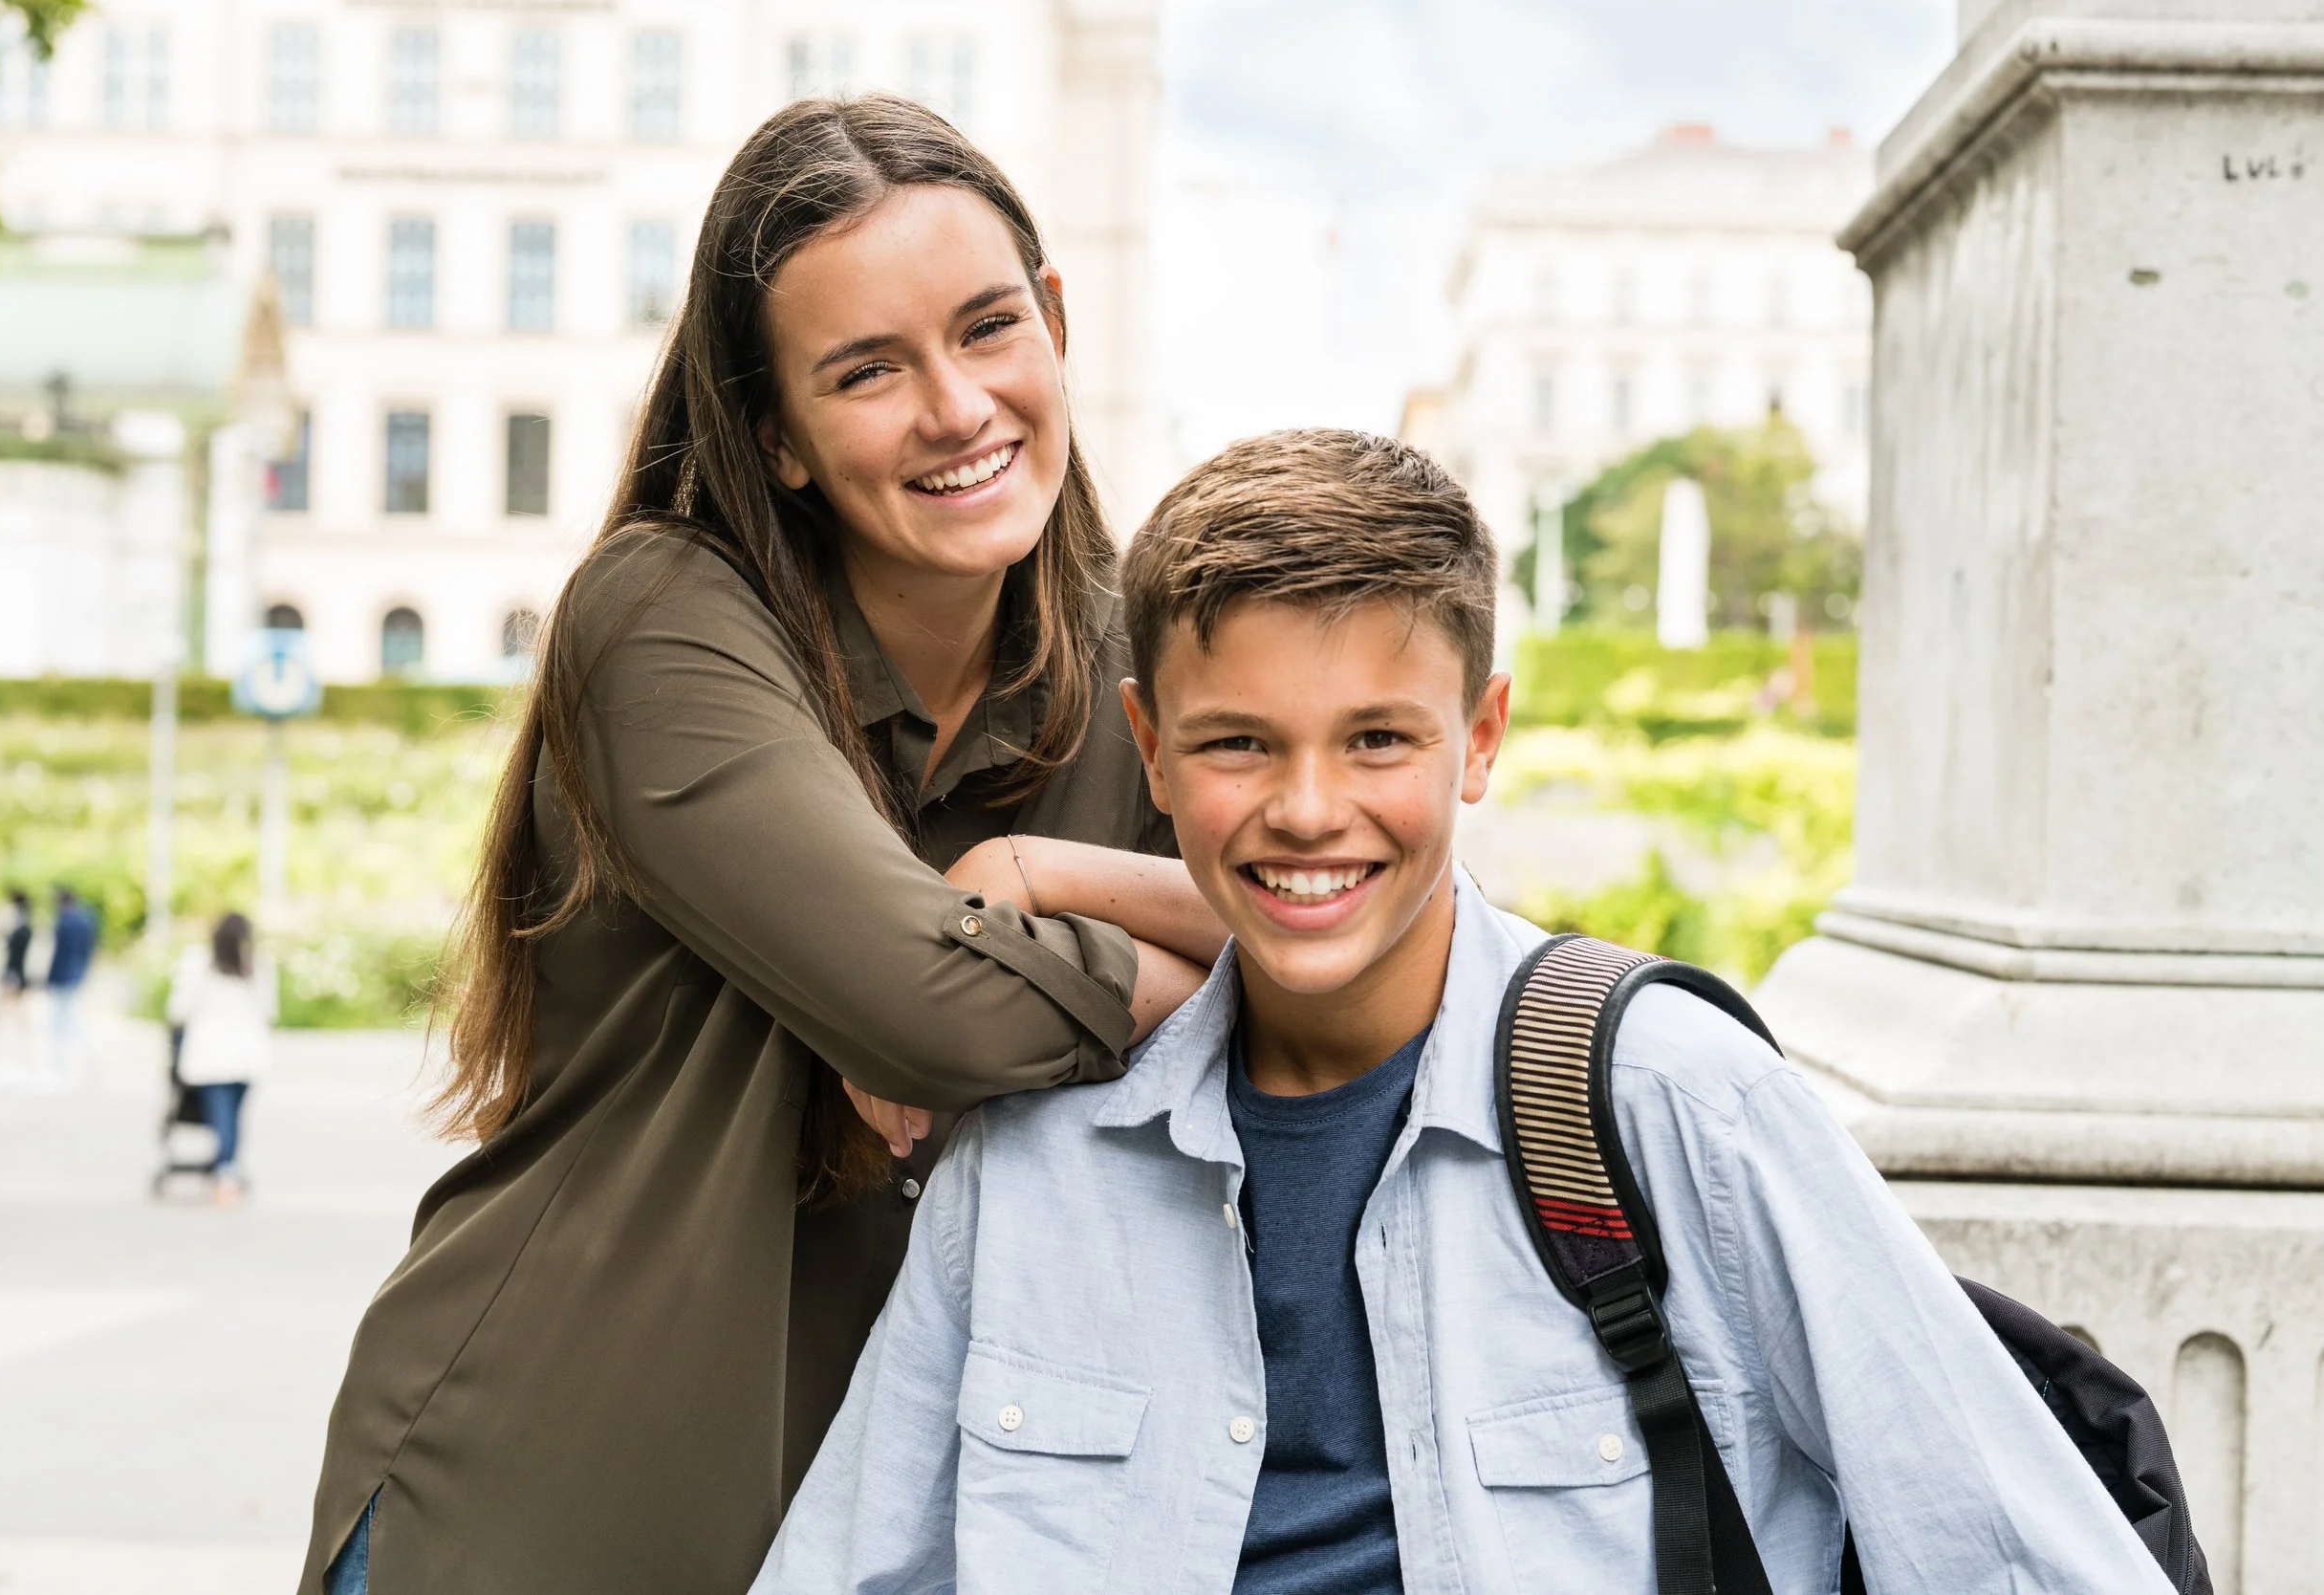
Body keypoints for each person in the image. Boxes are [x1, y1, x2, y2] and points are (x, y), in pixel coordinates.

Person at [751, 430, 2171, 1594]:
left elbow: (2021, 1555)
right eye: (1239, 743)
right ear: (1152, 753)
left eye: (1378, 739)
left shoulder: (1674, 1103)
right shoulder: (1037, 1164)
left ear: (1480, 737)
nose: (1310, 810)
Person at [300, 97, 1222, 1595]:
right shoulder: (661, 617)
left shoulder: (1137, 661)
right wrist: (1174, 967)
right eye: (867, 371)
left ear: (1056, 321)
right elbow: (921, 1006)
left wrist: (1036, 885)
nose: (957, 407)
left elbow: (1383, 946)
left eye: (989, 328)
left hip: (912, 1536)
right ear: (777, 436)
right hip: (554, 1507)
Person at [166, 912, 271, 1206]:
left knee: (221, 1114)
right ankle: (227, 1169)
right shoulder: (255, 964)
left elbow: (179, 1007)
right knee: (232, 1116)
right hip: (248, 1053)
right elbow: (268, 1008)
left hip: (209, 1052)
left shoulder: (198, 961)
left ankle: (225, 1171)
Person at [44, 885, 99, 1085]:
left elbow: (59, 954)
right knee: (71, 1019)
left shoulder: (65, 922)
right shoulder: (86, 919)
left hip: (63, 976)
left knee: (60, 1023)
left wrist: (49, 979)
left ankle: (62, 1068)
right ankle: (85, 1059)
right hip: (78, 974)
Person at [0, 888, 33, 1060]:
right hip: (16, 973)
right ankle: (18, 1044)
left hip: (13, 973)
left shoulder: (23, 929)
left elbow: (11, 949)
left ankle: (1, 1045)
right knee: (16, 1012)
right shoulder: (24, 928)